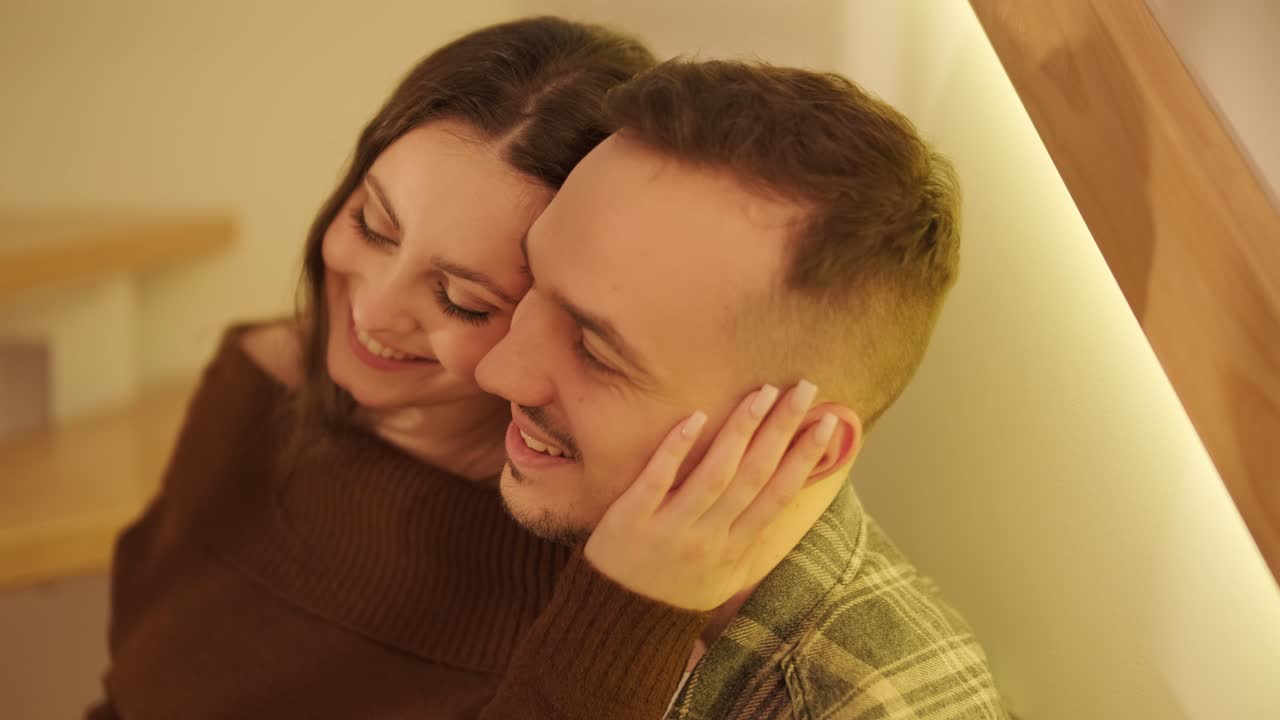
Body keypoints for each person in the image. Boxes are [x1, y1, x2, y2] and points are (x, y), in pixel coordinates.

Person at [87, 16, 664, 719]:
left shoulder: (593, 552)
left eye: (461, 300)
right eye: (373, 225)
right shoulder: (259, 375)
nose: (376, 310)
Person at [474, 60, 1008, 719]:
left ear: (807, 448)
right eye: (531, 281)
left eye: (593, 350)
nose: (497, 371)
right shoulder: (557, 496)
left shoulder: (862, 706)